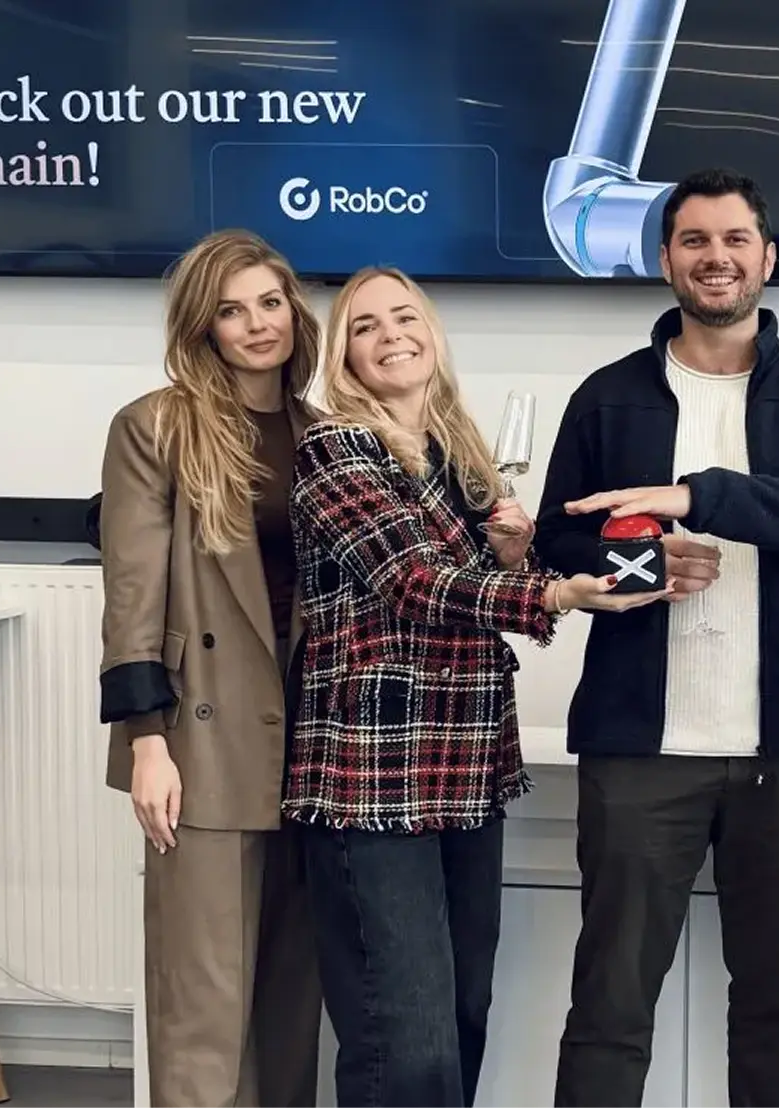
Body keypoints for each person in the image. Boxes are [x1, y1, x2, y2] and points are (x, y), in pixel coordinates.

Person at [535, 167, 779, 1108]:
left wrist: (701, 498)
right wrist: (647, 564)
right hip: (640, 748)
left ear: (767, 259)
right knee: (609, 1002)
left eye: (734, 239)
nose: (716, 257)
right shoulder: (609, 396)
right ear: (665, 261)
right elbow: (558, 540)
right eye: (694, 240)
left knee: (778, 1005)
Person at [284, 266, 665, 1108]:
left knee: (461, 1014)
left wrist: (515, 553)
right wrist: (556, 591)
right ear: (342, 354)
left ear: (433, 332)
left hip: (464, 770)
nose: (391, 336)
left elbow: (470, 590)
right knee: (403, 1036)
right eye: (365, 325)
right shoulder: (335, 449)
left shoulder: (459, 453)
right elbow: (415, 584)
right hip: (370, 779)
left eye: (405, 317)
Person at [96, 228, 324, 1108]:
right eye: (232, 310)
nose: (256, 324)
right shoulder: (156, 425)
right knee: (204, 1006)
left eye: (269, 302)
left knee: (290, 1003)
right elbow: (132, 593)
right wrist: (147, 742)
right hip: (202, 742)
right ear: (205, 327)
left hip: (314, 744)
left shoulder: (325, 431)